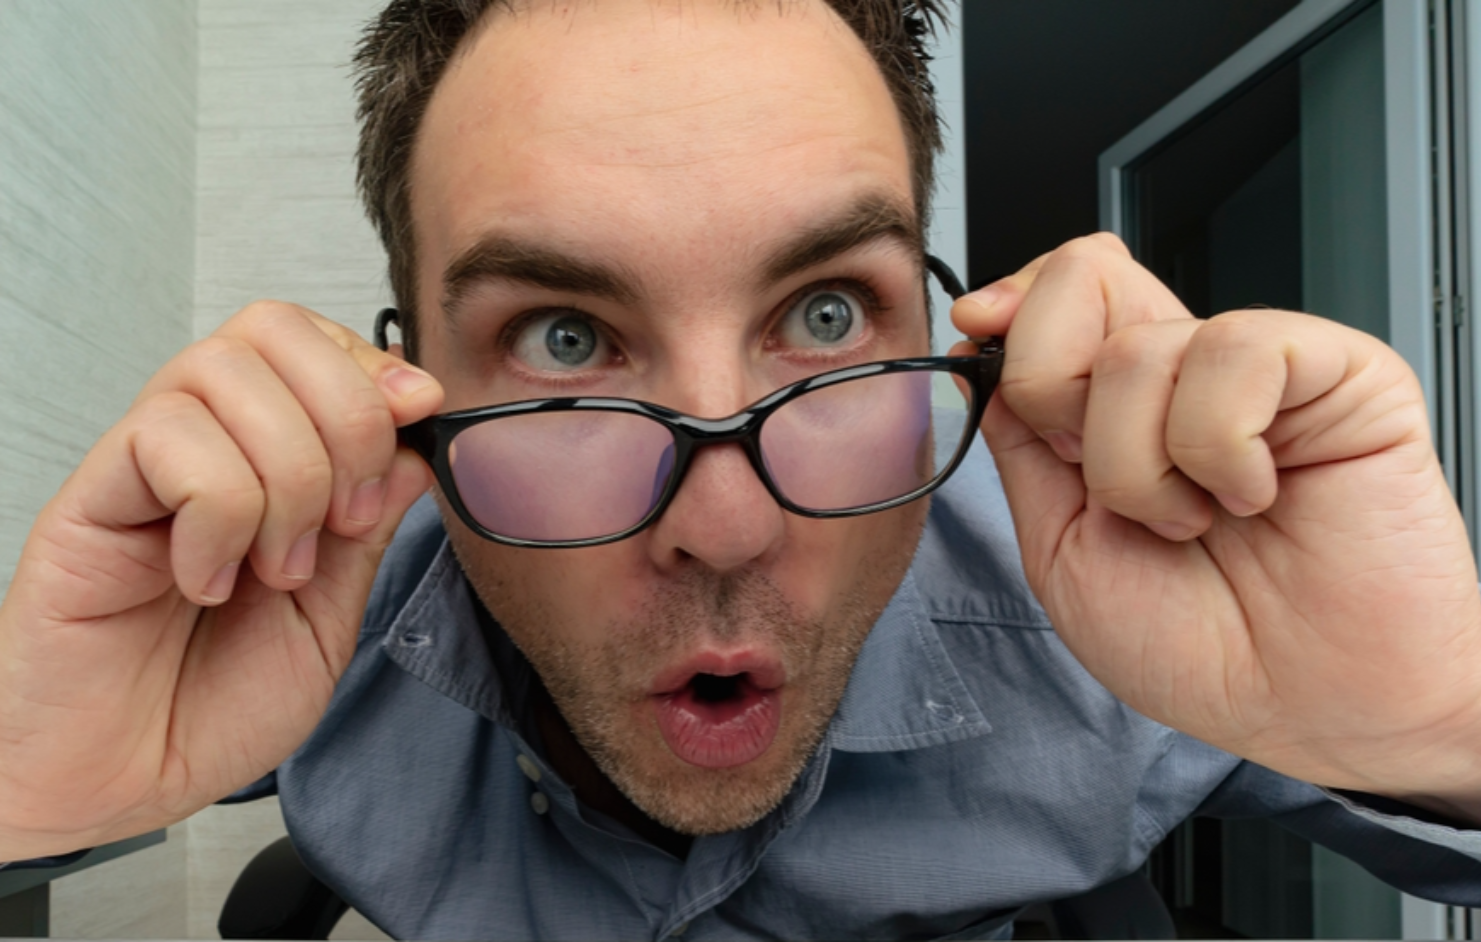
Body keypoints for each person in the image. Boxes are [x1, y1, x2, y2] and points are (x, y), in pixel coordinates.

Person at [4, 0, 1481, 937]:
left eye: (827, 316)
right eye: (566, 338)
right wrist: (23, 794)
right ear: (406, 391)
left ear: (939, 322)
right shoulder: (296, 600)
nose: (724, 524)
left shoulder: (1114, 618)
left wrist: (1442, 726)